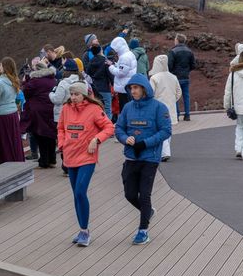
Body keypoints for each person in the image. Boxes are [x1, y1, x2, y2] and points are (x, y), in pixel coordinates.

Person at [115, 74, 172, 245]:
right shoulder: (127, 108)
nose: (133, 91)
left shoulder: (159, 108)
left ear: (144, 89)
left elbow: (166, 131)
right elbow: (118, 128)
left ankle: (143, 231)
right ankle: (148, 212)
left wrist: (145, 143)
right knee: (130, 194)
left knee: (145, 194)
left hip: (150, 157)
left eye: (136, 88)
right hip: (131, 156)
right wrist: (126, 139)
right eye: (131, 88)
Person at [58, 81, 114, 247]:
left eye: (77, 94)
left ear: (84, 95)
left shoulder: (94, 109)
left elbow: (109, 128)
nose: (73, 97)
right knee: (76, 194)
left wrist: (96, 140)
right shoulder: (66, 109)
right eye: (72, 94)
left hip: (87, 157)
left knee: (81, 192)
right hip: (69, 156)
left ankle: (85, 231)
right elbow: (61, 128)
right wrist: (62, 144)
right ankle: (82, 230)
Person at [22, 61, 58, 169]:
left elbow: (26, 92)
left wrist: (26, 80)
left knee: (41, 135)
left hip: (38, 111)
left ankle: (44, 160)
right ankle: (52, 159)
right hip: (51, 108)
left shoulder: (34, 81)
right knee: (51, 134)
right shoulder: (53, 80)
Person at [149, 55, 182, 161]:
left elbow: (150, 93)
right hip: (170, 106)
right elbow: (179, 92)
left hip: (158, 107)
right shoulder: (173, 77)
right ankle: (165, 151)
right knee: (167, 129)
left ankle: (164, 152)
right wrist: (173, 100)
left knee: (159, 129)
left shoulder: (154, 78)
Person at [0, 57, 25, 163]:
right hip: (13, 114)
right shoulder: (14, 81)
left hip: (2, 115)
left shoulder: (0, 83)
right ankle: (17, 160)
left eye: (1, 65)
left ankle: (7, 163)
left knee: (5, 142)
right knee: (15, 140)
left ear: (5, 67)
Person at [168, 33, 196, 121]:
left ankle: (176, 114)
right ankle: (187, 115)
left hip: (175, 77)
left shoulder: (173, 51)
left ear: (177, 40)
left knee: (175, 96)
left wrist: (172, 72)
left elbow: (169, 65)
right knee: (186, 96)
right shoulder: (189, 51)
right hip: (185, 76)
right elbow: (193, 65)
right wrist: (187, 70)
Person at [108, 36, 138, 114]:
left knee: (125, 109)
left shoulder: (125, 57)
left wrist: (110, 67)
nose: (115, 51)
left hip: (124, 88)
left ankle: (125, 124)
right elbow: (123, 68)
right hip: (127, 86)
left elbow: (121, 73)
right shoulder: (129, 54)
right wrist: (115, 65)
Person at [87, 42, 113, 120]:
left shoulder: (91, 62)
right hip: (105, 87)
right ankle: (108, 127)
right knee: (107, 108)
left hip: (94, 88)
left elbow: (88, 73)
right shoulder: (105, 61)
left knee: (96, 108)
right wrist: (113, 84)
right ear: (100, 50)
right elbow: (110, 74)